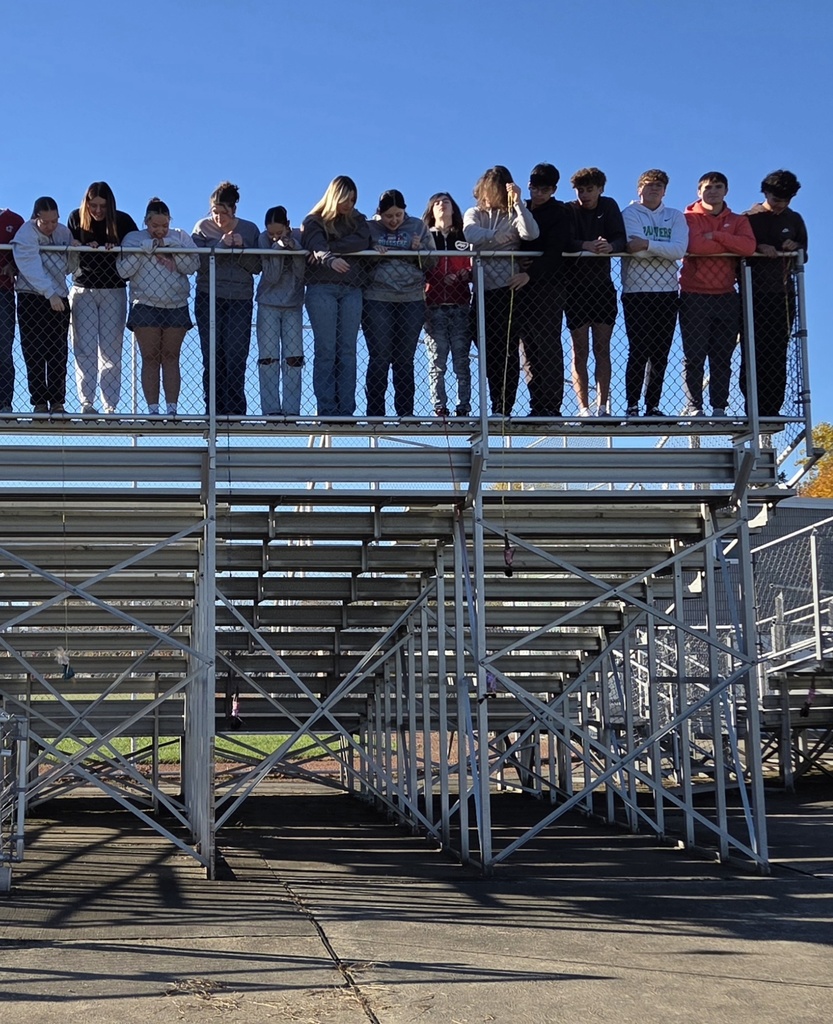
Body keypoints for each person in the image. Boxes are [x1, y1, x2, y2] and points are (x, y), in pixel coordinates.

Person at [463, 166, 539, 418]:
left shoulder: (515, 212)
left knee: (506, 350)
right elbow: (470, 233)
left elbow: (530, 233)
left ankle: (502, 406)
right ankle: (494, 399)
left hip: (509, 290)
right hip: (483, 290)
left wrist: (519, 204)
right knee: (485, 346)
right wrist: (497, 236)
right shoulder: (475, 212)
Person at [679, 172, 756, 418]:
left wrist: (717, 236)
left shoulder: (738, 220)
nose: (712, 191)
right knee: (694, 355)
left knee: (722, 356)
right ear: (698, 191)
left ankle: (719, 407)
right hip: (694, 295)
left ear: (726, 191)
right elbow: (695, 246)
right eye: (707, 187)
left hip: (726, 295)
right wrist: (727, 243)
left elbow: (748, 247)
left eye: (717, 187)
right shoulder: (688, 218)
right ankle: (694, 407)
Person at [117, 198, 199, 418]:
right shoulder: (134, 238)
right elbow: (124, 271)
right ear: (146, 222)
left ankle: (172, 409)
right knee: (150, 357)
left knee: (171, 357)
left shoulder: (180, 236)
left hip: (176, 305)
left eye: (164, 226)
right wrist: (143, 252)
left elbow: (192, 266)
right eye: (155, 226)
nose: (160, 230)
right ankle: (153, 410)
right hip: (145, 305)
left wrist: (174, 249)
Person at [301, 176, 371, 418]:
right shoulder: (313, 221)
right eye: (346, 199)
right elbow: (315, 242)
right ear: (335, 196)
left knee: (348, 350)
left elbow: (363, 239)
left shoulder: (359, 220)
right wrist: (325, 254)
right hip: (322, 288)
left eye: (354, 199)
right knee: (326, 349)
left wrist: (331, 250)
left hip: (352, 289)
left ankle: (346, 411)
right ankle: (327, 410)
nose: (350, 204)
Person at [621, 169, 688, 418]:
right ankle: (632, 405)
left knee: (661, 351)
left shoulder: (674, 217)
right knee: (638, 350)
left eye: (659, 186)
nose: (654, 189)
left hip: (668, 291)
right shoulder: (630, 213)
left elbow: (679, 249)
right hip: (637, 291)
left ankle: (653, 406)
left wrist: (648, 245)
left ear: (665, 191)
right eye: (649, 185)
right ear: (639, 189)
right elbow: (632, 248)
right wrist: (662, 250)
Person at [67, 182, 138, 415]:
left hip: (113, 290)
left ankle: (110, 406)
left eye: (103, 206)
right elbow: (69, 250)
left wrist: (116, 248)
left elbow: (134, 248)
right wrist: (81, 246)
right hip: (83, 289)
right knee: (84, 348)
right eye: (93, 205)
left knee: (111, 351)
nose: (97, 211)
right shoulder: (75, 218)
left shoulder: (124, 221)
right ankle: (87, 403)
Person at [192, 182, 261, 416]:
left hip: (240, 298)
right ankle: (213, 409)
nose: (219, 217)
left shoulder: (250, 230)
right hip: (208, 296)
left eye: (224, 212)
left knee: (236, 354)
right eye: (215, 212)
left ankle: (235, 410)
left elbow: (257, 267)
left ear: (234, 210)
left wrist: (243, 249)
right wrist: (221, 246)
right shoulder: (202, 228)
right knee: (212, 354)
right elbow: (198, 265)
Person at [364, 189, 435, 418]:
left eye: (398, 215)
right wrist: (371, 252)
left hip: (411, 298)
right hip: (377, 297)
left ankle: (406, 413)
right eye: (388, 216)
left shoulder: (418, 226)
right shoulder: (370, 228)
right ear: (379, 214)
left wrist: (419, 250)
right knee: (380, 356)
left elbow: (432, 261)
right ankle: (376, 414)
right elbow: (359, 260)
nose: (393, 220)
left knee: (405, 358)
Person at [743, 170, 808, 418]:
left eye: (786, 200)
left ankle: (773, 409)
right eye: (776, 198)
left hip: (783, 296)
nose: (780, 204)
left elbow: (805, 254)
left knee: (777, 351)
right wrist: (757, 247)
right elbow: (739, 247)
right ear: (765, 193)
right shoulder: (748, 218)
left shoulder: (794, 219)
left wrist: (796, 247)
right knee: (752, 351)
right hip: (752, 294)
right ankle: (754, 409)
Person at [564, 167, 626, 417]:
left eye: (590, 189)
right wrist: (585, 245)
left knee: (603, 348)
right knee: (580, 349)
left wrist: (609, 246)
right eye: (581, 189)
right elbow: (563, 241)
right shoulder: (568, 210)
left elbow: (621, 238)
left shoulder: (609, 206)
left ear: (600, 189)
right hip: (574, 288)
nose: (585, 194)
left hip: (602, 287)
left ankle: (603, 406)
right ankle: (583, 407)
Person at [514, 162, 573, 418]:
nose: (539, 193)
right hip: (522, 287)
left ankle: (551, 405)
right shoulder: (521, 208)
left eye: (545, 189)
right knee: (527, 346)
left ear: (554, 189)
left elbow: (556, 250)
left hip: (549, 286)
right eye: (535, 188)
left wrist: (531, 270)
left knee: (548, 344)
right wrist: (519, 261)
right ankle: (536, 404)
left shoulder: (560, 212)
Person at [12, 197, 75, 415]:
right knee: (34, 350)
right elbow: (30, 266)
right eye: (45, 222)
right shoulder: (26, 233)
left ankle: (57, 402)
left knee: (58, 351)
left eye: (54, 221)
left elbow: (69, 267)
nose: (50, 226)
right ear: (35, 218)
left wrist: (74, 250)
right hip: (32, 296)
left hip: (60, 296)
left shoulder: (63, 233)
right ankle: (39, 402)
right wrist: (50, 294)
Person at [421, 192, 472, 417]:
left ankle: (464, 406)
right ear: (431, 210)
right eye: (437, 203)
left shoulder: (464, 234)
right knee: (437, 361)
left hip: (460, 305)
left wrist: (464, 274)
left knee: (461, 361)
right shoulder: (425, 237)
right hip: (433, 307)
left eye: (447, 202)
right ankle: (439, 406)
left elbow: (475, 265)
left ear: (454, 208)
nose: (442, 205)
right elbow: (419, 266)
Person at [255, 206, 305, 417]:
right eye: (271, 233)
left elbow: (301, 274)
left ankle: (292, 410)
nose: (275, 236)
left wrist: (294, 249)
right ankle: (271, 410)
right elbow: (272, 276)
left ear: (287, 226)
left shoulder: (297, 238)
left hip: (293, 304)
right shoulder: (263, 240)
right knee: (268, 358)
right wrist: (276, 250)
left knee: (294, 358)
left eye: (280, 232)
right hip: (268, 304)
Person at [0, 204, 24, 414]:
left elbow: (26, 250)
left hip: (3, 292)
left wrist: (14, 266)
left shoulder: (15, 221)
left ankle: (4, 402)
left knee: (4, 350)